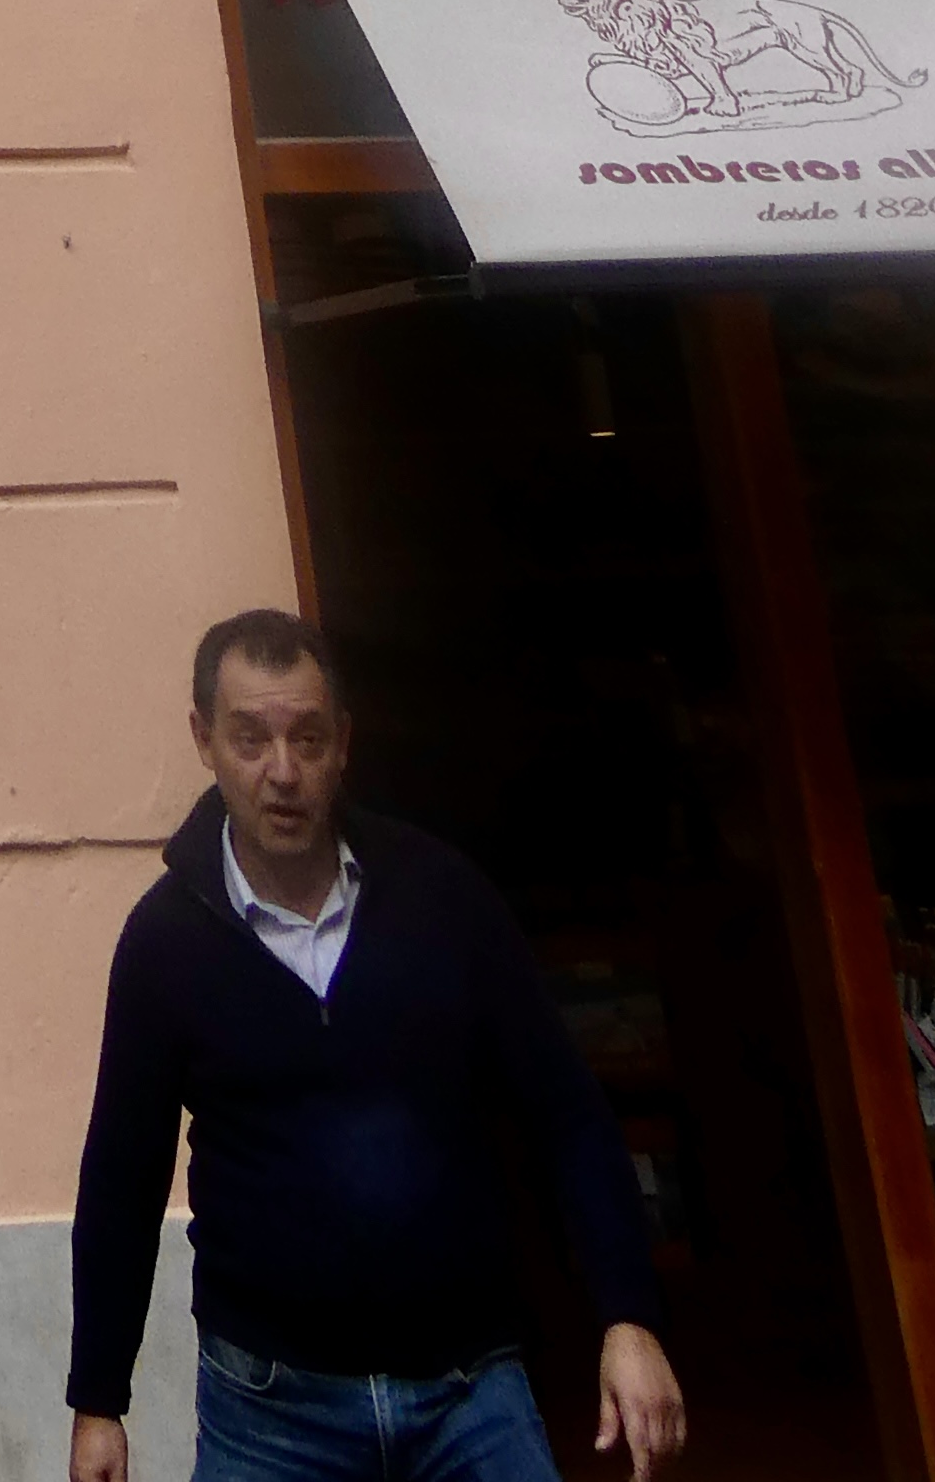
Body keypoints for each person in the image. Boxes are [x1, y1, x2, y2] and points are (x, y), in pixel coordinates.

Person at [68, 607, 689, 1482]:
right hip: (270, 1413)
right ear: (204, 740)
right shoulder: (166, 943)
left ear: (344, 744)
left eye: (308, 738)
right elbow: (123, 1177)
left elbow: (567, 1114)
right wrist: (99, 1399)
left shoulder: (443, 899)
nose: (283, 772)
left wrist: (629, 1317)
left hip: (469, 1393)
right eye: (250, 740)